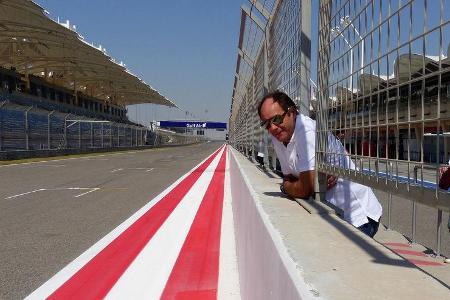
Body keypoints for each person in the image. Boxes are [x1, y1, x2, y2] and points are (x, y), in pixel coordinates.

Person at [258, 91, 382, 238]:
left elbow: (304, 188)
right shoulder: (278, 136)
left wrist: (286, 187)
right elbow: (291, 179)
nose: (272, 128)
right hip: (330, 211)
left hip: (357, 216)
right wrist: (301, 184)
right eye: (266, 124)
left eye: (277, 119)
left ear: (291, 112)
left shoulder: (307, 132)